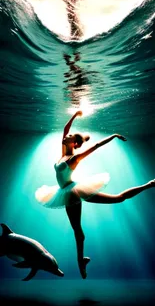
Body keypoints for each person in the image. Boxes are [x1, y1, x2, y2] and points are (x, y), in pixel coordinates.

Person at [35, 111, 155, 279]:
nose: (65, 136)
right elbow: (65, 129)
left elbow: (96, 146)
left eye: (69, 137)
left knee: (113, 202)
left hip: (73, 192)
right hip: (67, 190)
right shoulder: (63, 153)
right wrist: (75, 115)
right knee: (82, 227)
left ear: (75, 143)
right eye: (66, 136)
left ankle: (149, 184)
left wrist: (113, 136)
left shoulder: (73, 159)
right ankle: (81, 261)